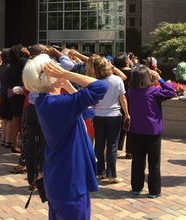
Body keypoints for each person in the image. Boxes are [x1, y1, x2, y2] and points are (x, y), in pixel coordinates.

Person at [22, 53, 108, 219]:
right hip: (70, 181)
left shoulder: (46, 101)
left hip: (59, 178)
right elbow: (100, 87)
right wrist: (65, 74)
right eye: (54, 67)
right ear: (50, 75)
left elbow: (88, 111)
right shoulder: (58, 105)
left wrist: (66, 84)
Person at [128, 66, 176, 199]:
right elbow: (171, 92)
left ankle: (136, 187)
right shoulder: (154, 91)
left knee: (137, 160)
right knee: (154, 162)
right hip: (152, 130)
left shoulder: (131, 91)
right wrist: (160, 79)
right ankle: (154, 190)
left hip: (136, 129)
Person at [86, 55, 130, 183]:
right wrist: (126, 114)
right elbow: (122, 98)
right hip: (114, 115)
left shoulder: (94, 81)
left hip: (98, 115)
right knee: (112, 145)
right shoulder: (117, 80)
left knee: (98, 145)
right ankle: (112, 175)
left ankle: (99, 172)